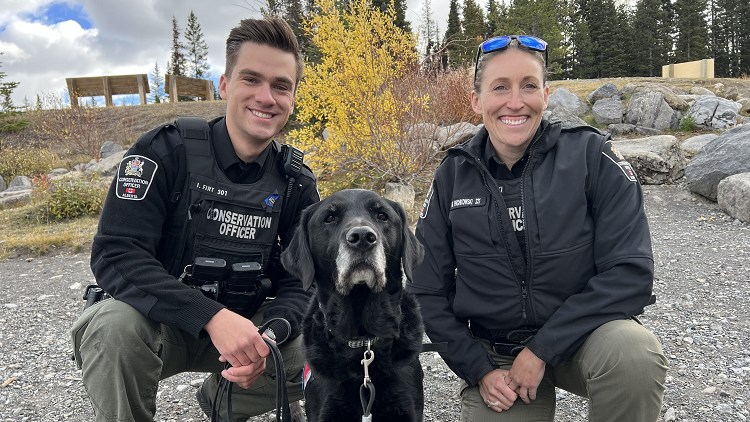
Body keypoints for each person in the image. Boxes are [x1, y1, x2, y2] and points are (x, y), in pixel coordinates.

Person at [70, 17, 319, 422]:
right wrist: (211, 317)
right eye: (251, 79)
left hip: (248, 331)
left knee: (331, 342)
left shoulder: (296, 183)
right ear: (224, 85)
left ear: (292, 97)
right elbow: (117, 253)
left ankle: (223, 398)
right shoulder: (163, 151)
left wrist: (271, 334)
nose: (266, 97)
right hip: (158, 323)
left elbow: (303, 282)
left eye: (281, 86)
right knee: (110, 328)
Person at [409, 35, 669, 421]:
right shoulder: (451, 176)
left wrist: (542, 349)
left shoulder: (592, 157)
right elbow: (426, 290)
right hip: (496, 355)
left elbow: (630, 273)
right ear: (477, 101)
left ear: (546, 95)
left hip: (583, 336)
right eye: (500, 87)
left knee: (634, 357)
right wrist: (477, 368)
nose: (516, 102)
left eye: (528, 86)